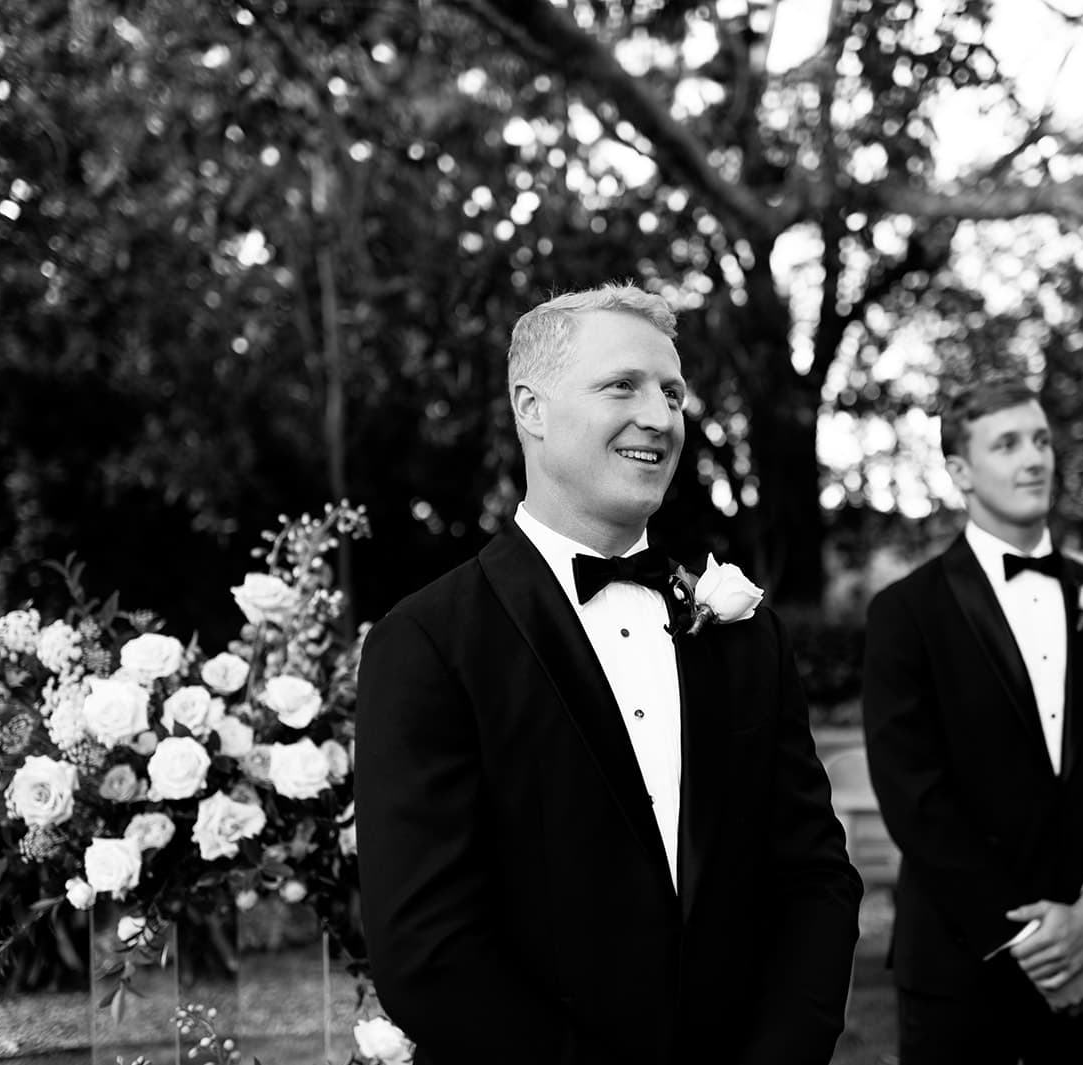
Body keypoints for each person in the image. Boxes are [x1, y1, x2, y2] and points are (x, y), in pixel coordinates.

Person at [353, 282, 863, 1065]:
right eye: (621, 385)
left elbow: (814, 878)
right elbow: (428, 948)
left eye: (672, 392)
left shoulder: (746, 635)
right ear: (532, 407)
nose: (659, 416)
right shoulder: (427, 642)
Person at [860, 377, 1083, 1064]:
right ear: (961, 470)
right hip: (963, 964)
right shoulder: (905, 613)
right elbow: (916, 796)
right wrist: (1039, 948)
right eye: (1007, 444)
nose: (1034, 459)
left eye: (1040, 440)